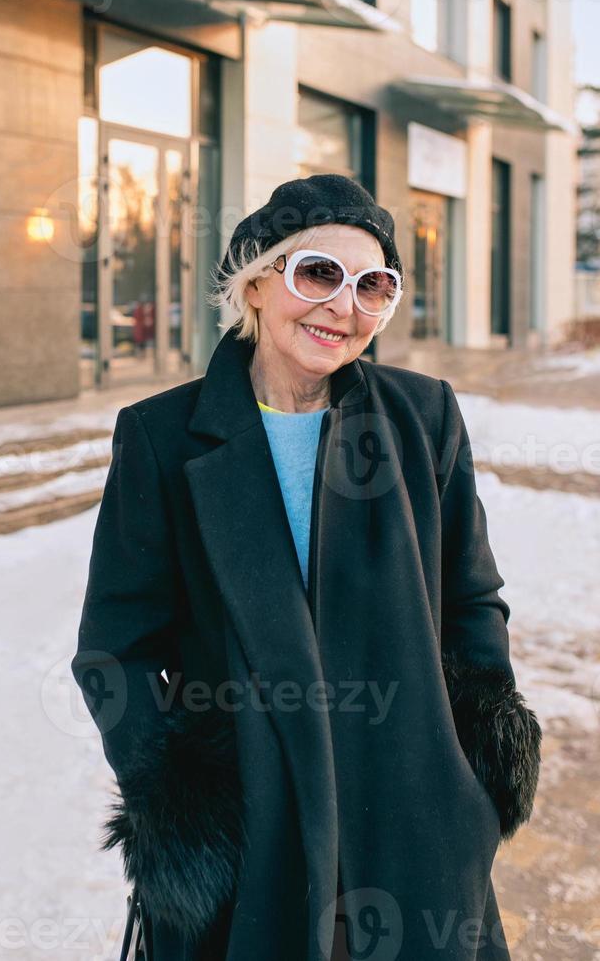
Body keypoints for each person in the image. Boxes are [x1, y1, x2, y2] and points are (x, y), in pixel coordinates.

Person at [71, 173, 542, 961]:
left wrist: (477, 777)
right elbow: (113, 650)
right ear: (256, 283)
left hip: (415, 828)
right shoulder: (161, 436)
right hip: (254, 839)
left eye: (373, 287)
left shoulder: (424, 417)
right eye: (318, 273)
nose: (343, 306)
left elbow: (471, 599)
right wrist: (185, 810)